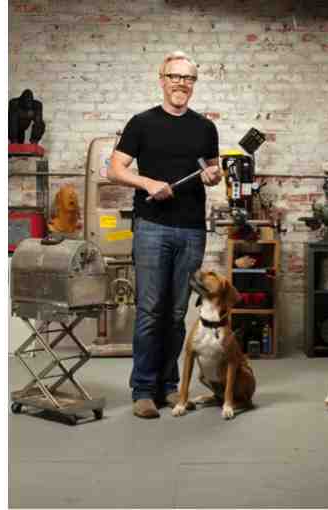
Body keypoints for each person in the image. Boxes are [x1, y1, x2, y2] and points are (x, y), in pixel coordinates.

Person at [107, 51, 222, 419]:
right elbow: (114, 169)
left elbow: (213, 170)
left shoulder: (205, 128)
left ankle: (169, 386)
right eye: (174, 76)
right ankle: (143, 389)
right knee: (150, 311)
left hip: (191, 229)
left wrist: (214, 175)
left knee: (175, 313)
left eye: (188, 78)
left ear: (193, 84)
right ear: (162, 79)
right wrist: (148, 183)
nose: (180, 83)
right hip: (152, 227)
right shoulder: (142, 123)